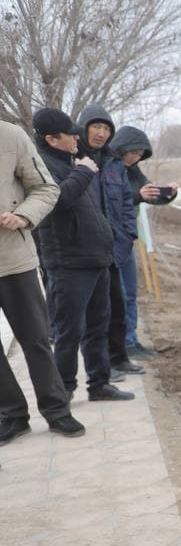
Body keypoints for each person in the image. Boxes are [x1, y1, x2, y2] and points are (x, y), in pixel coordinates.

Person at [31, 108, 133, 403]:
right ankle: (63, 392)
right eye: (70, 134)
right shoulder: (42, 166)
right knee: (68, 333)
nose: (77, 137)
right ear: (51, 139)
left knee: (97, 327)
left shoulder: (71, 161)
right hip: (68, 264)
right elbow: (57, 200)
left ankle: (99, 384)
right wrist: (85, 172)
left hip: (95, 258)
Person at [0, 119, 85, 446]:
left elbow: (46, 187)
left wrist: (23, 215)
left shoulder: (10, 136)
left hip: (13, 259)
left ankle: (56, 409)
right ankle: (12, 414)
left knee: (35, 338)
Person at [77, 103, 144, 377]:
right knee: (95, 313)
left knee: (117, 306)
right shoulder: (75, 159)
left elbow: (126, 202)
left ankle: (119, 358)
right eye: (96, 127)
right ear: (84, 128)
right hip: (86, 249)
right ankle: (100, 365)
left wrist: (129, 234)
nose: (101, 133)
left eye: (106, 128)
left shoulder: (115, 162)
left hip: (114, 247)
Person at [110, 124, 178, 361]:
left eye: (139, 155)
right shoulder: (109, 167)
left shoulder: (134, 171)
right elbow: (110, 200)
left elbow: (147, 194)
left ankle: (131, 340)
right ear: (121, 149)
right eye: (133, 153)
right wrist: (138, 196)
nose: (135, 158)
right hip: (111, 240)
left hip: (128, 237)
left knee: (130, 293)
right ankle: (119, 344)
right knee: (117, 295)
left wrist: (167, 194)